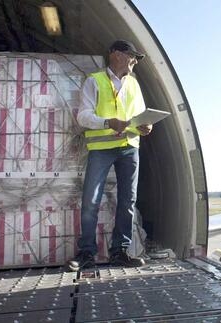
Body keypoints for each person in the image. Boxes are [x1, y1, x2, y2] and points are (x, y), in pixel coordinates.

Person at [67, 40, 152, 271]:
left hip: (129, 147)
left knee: (128, 201)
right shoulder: (95, 81)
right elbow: (83, 117)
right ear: (115, 54)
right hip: (101, 149)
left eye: (136, 57)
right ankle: (86, 253)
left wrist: (145, 127)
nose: (134, 60)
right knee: (91, 201)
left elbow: (141, 116)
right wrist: (108, 122)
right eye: (131, 55)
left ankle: (120, 252)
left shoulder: (133, 84)